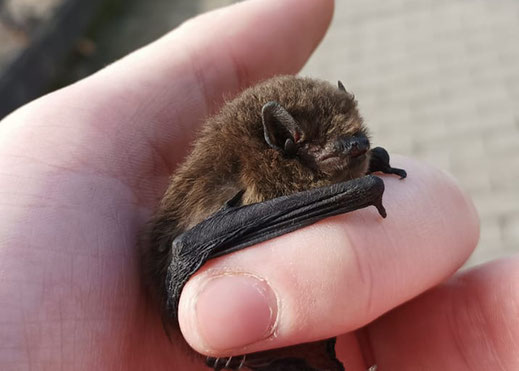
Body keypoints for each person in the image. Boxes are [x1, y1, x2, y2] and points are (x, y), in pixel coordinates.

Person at [0, 0, 516, 370]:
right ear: (281, 142)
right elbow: (186, 246)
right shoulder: (248, 180)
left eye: (356, 137)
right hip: (193, 296)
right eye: (334, 147)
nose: (355, 149)